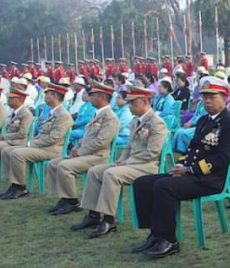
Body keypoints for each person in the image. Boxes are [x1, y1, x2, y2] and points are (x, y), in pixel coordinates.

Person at [130, 77, 230, 259]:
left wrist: (190, 170)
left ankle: (169, 240)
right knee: (142, 183)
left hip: (209, 180)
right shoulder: (204, 120)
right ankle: (155, 233)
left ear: (225, 99)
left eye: (212, 97)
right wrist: (181, 164)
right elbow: (191, 149)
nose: (207, 100)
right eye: (205, 96)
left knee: (164, 186)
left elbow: (222, 159)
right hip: (189, 174)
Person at [72, 86, 169, 238]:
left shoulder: (157, 123)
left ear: (144, 102)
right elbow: (129, 146)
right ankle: (93, 215)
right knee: (95, 171)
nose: (129, 106)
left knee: (111, 174)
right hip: (132, 163)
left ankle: (109, 220)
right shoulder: (136, 121)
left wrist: (127, 162)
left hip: (147, 166)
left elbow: (152, 152)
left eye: (133, 103)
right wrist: (122, 159)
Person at [45, 81, 120, 216]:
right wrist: (77, 148)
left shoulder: (110, 117)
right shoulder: (96, 114)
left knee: (64, 166)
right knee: (53, 163)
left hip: (98, 156)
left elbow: (101, 142)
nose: (90, 98)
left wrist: (79, 152)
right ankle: (64, 198)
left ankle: (72, 202)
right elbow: (86, 137)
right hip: (86, 153)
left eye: (93, 95)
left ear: (102, 97)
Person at [0, 81, 74, 200]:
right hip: (41, 147)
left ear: (54, 96)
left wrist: (31, 143)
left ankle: (20, 187)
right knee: (7, 150)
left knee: (17, 153)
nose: (45, 96)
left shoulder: (63, 115)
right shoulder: (52, 112)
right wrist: (32, 143)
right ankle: (14, 184)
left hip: (52, 150)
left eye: (48, 94)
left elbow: (53, 138)